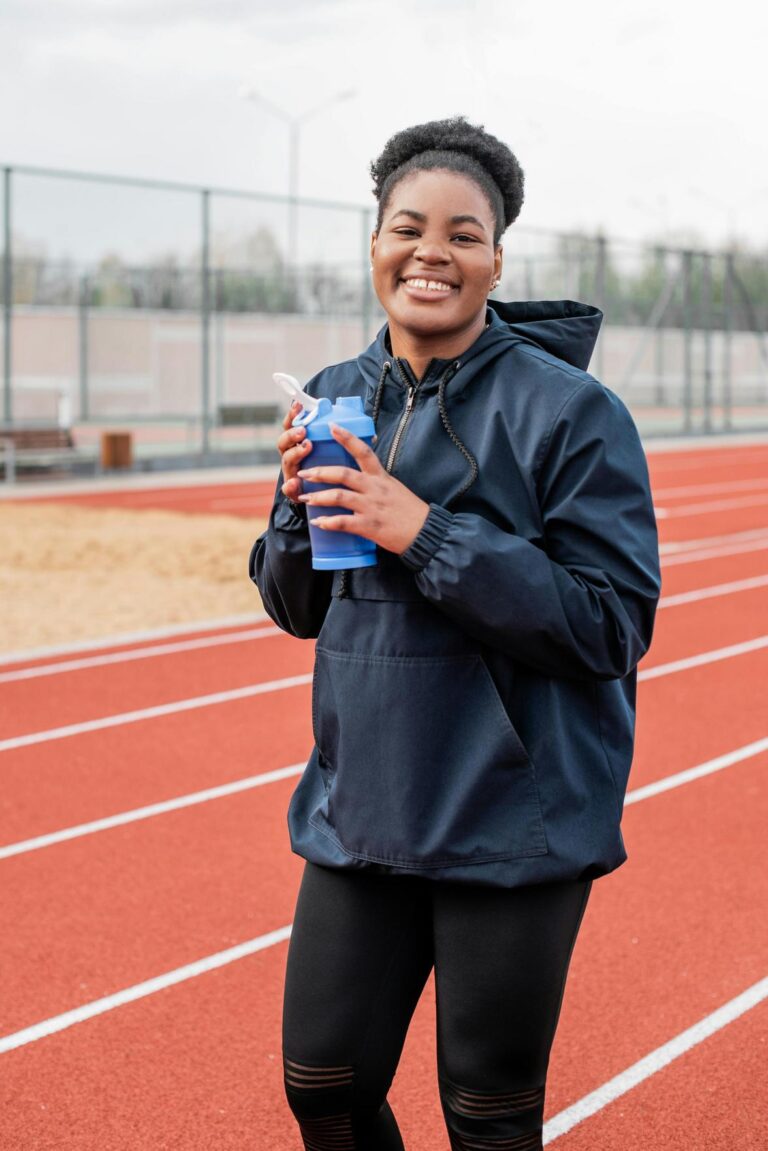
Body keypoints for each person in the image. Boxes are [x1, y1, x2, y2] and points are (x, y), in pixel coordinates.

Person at [250, 116, 660, 1151]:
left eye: (462, 233)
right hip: (366, 807)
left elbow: (610, 622)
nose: (431, 250)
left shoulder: (574, 413)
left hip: (514, 816)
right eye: (408, 226)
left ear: (495, 259)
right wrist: (297, 506)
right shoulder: (337, 397)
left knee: (486, 1114)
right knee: (323, 1083)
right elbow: (297, 607)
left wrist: (423, 530)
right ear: (376, 242)